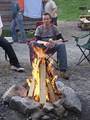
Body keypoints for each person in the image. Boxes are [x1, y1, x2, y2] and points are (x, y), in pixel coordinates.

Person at [30, 12, 69, 79]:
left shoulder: (54, 28)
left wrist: (54, 42)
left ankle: (63, 70)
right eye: (44, 19)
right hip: (42, 47)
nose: (46, 20)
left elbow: (61, 39)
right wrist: (44, 43)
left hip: (52, 46)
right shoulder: (39, 28)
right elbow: (37, 40)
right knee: (32, 43)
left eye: (47, 19)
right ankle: (35, 67)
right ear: (42, 20)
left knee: (62, 45)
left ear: (50, 19)